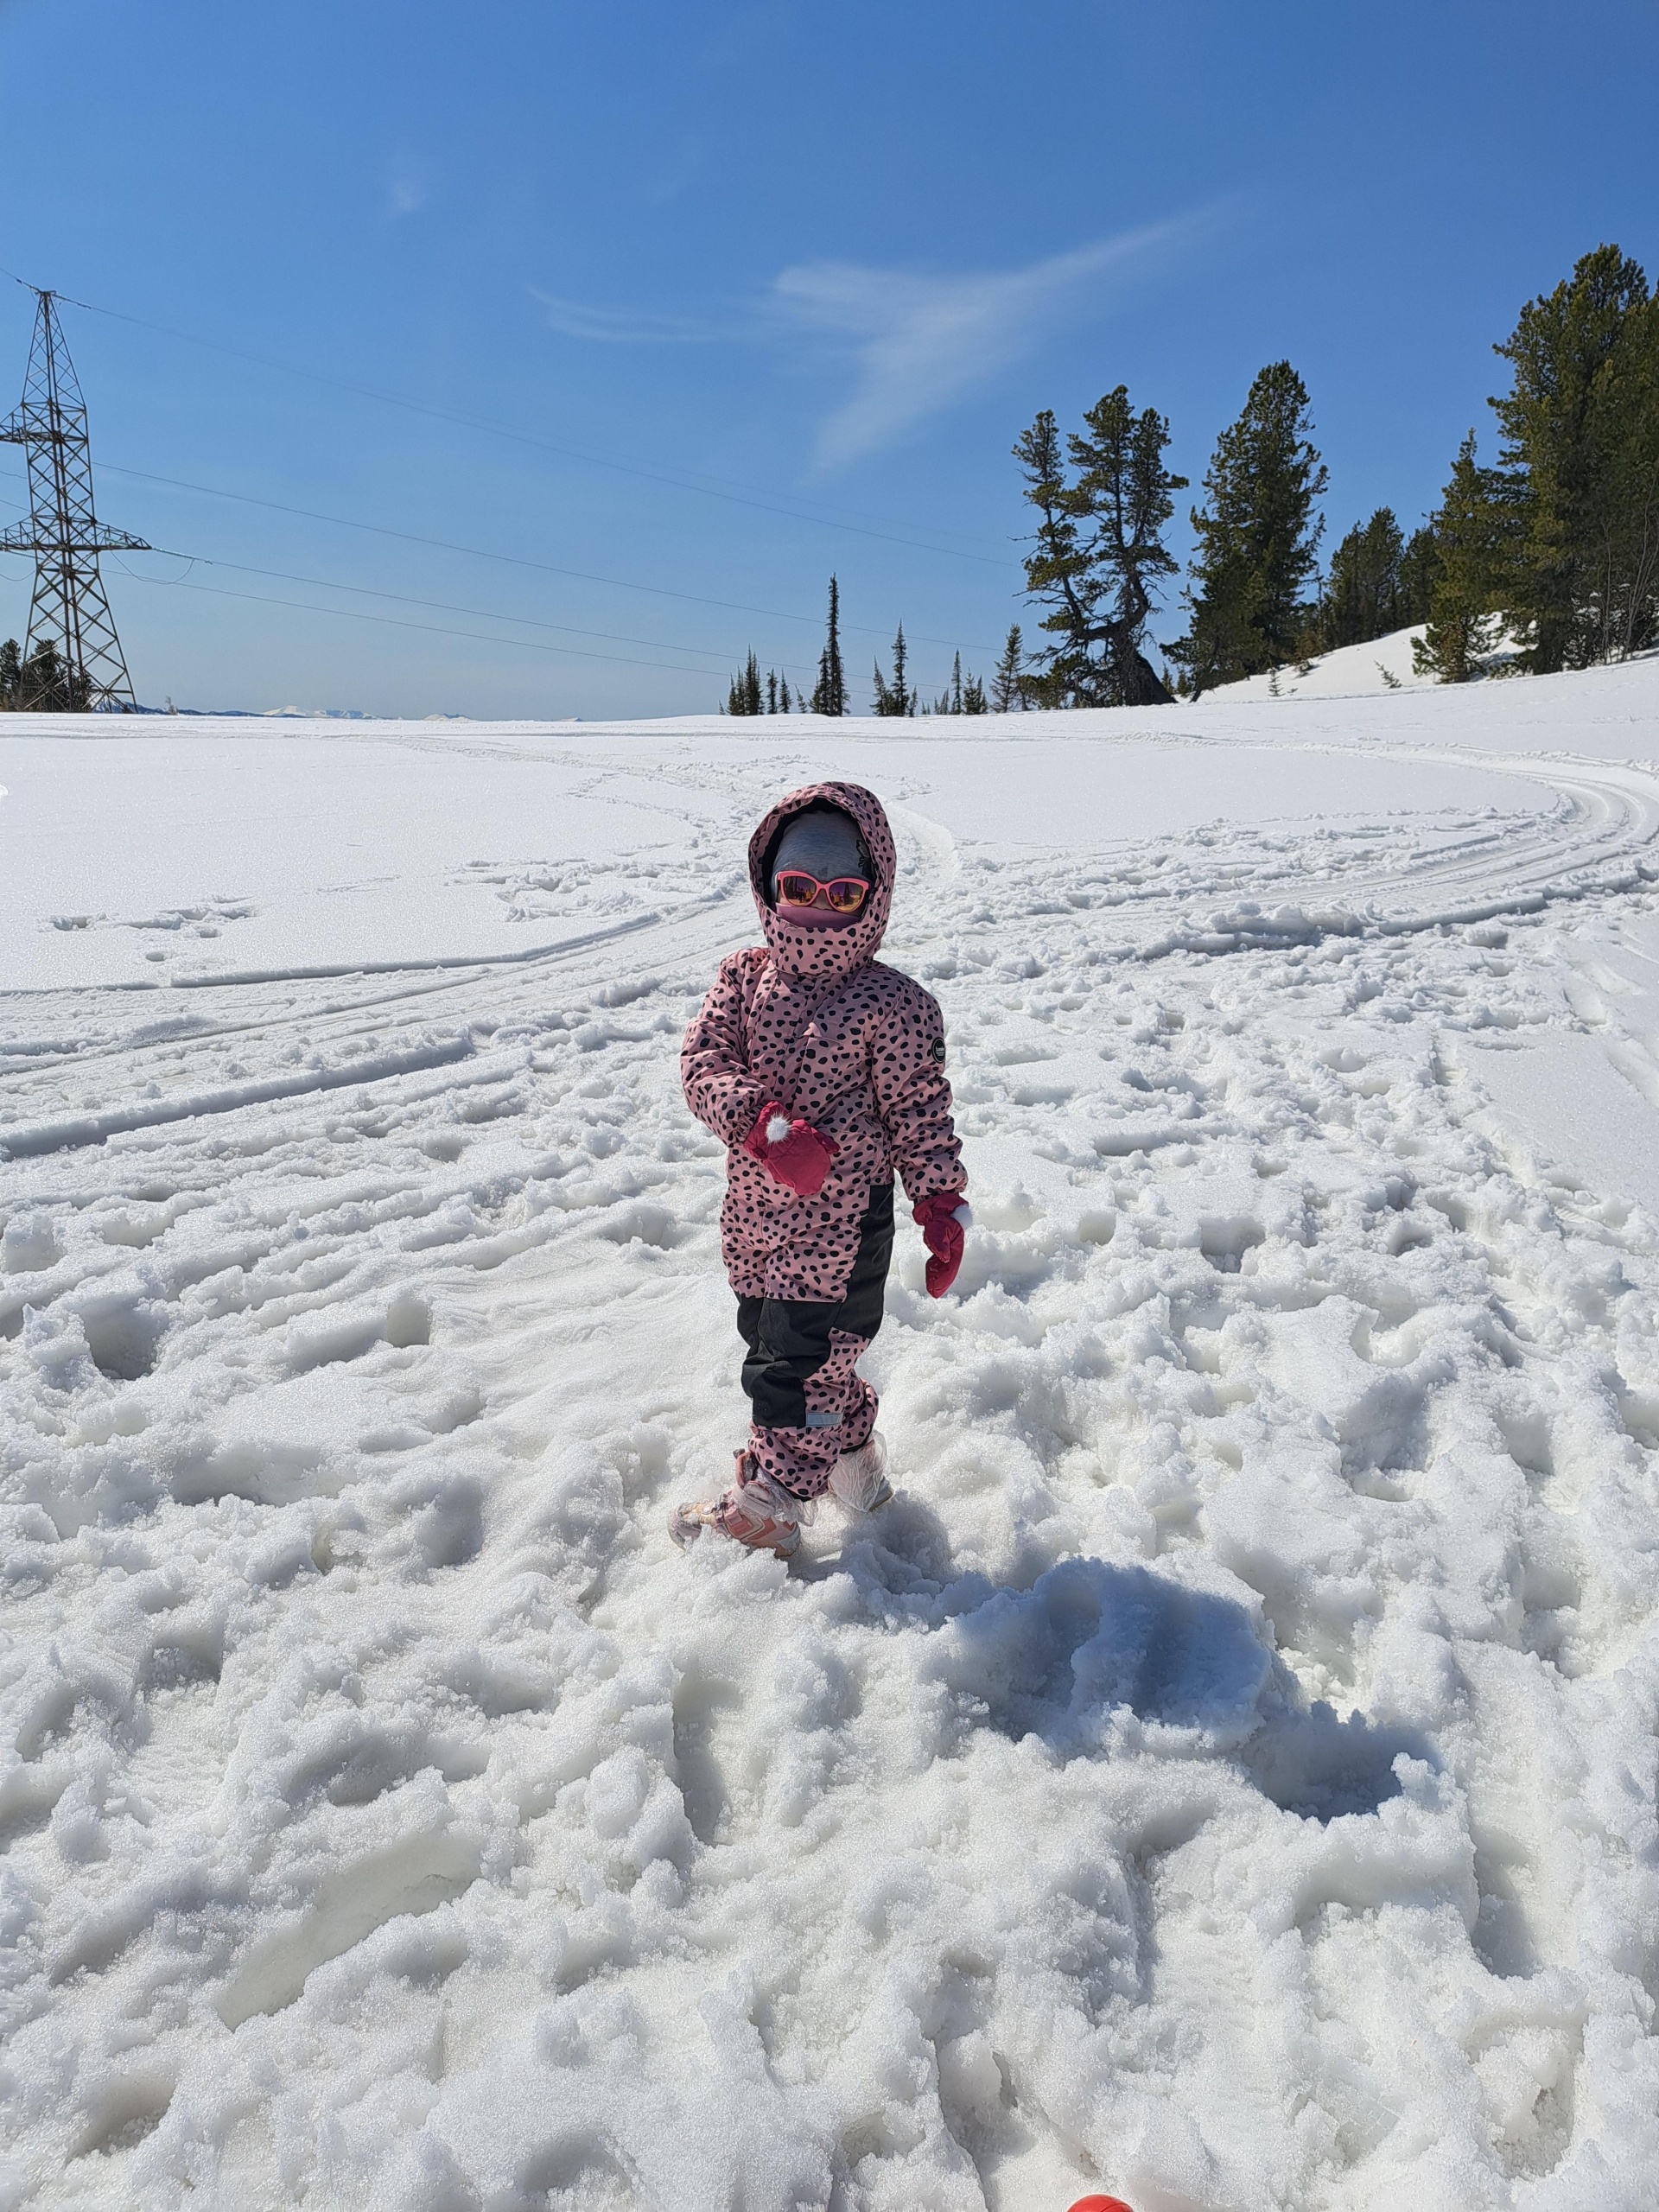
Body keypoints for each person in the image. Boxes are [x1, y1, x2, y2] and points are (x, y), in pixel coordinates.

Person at [671, 781, 969, 1560]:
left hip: (842, 1232)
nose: (815, 908)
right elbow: (702, 1063)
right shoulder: (743, 977)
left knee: (792, 1368)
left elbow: (920, 1112)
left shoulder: (896, 1006)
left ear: (872, 897)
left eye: (842, 893)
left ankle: (771, 1508)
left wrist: (940, 1203)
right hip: (754, 1220)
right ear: (769, 884)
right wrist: (764, 1128)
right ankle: (852, 1463)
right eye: (797, 888)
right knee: (778, 1343)